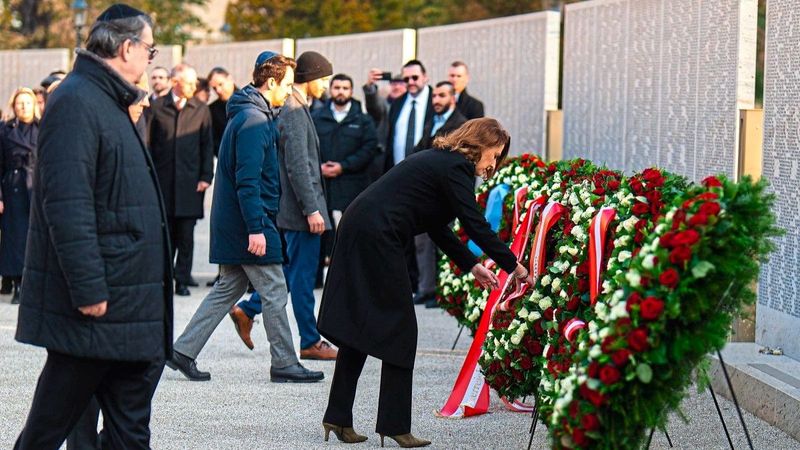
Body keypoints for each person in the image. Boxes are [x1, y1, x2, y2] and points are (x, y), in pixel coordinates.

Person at [318, 118, 533, 447]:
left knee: (361, 326)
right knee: (401, 329)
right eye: (495, 154)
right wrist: (514, 265)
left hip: (363, 225)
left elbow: (437, 226)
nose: (494, 163)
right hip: (377, 233)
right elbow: (473, 223)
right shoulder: (456, 167)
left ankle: (337, 416)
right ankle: (393, 425)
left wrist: (471, 265)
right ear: (479, 146)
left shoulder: (442, 162)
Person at [13, 5, 172, 449]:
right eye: (150, 50)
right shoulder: (77, 101)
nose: (150, 60)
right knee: (48, 430)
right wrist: (89, 290)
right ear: (127, 47)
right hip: (97, 312)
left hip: (128, 307)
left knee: (129, 432)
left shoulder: (108, 100)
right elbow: (67, 204)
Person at [166, 51, 324, 384]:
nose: (289, 91)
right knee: (276, 288)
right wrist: (256, 228)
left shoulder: (253, 114)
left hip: (239, 221)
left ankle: (182, 350)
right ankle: (284, 362)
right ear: (271, 82)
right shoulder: (255, 121)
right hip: (249, 222)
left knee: (228, 288)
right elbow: (247, 181)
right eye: (287, 85)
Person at [65, 72, 153, 450]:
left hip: (129, 289)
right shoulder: (101, 139)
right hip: (104, 285)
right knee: (70, 398)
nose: (147, 104)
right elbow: (78, 214)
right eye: (140, 99)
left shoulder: (133, 135)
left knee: (124, 395)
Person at [147, 63, 214, 296]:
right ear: (176, 83)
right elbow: (147, 145)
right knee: (166, 237)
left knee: (186, 236)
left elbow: (207, 145)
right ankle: (164, 279)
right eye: (190, 82)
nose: (194, 87)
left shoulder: (201, 109)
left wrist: (206, 176)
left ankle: (182, 280)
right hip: (162, 184)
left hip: (190, 184)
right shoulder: (156, 108)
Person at [411, 81, 468, 308]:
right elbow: (418, 151)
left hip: (446, 196)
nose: (436, 100)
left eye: (442, 96)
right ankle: (427, 288)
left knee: (445, 244)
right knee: (422, 242)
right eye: (434, 96)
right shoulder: (432, 123)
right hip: (426, 194)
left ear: (452, 99)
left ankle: (444, 293)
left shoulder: (461, 125)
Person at [0, 88, 40, 305]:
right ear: (14, 106)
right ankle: (16, 284)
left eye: (27, 103)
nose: (23, 107)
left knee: (32, 238)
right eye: (19, 103)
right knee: (13, 239)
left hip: (35, 187)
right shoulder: (5, 130)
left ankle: (31, 285)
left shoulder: (43, 127)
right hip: (13, 187)